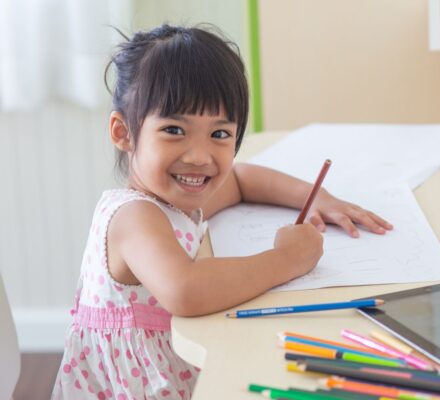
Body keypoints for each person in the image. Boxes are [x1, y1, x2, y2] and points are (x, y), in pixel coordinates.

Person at [51, 24, 393, 399]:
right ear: (123, 133)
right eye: (174, 130)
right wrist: (287, 258)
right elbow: (186, 290)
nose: (199, 157)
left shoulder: (176, 196)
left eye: (219, 135)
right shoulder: (135, 217)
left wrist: (316, 197)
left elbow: (242, 180)